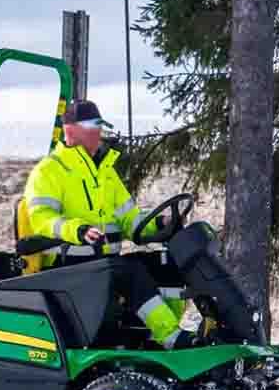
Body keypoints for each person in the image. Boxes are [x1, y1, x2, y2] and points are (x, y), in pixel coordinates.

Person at [21, 99, 188, 348]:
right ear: (70, 130)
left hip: (103, 262)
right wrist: (76, 230)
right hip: (67, 264)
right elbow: (41, 218)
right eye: (91, 125)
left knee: (166, 264)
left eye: (100, 126)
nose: (98, 132)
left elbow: (130, 218)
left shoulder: (105, 172)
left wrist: (159, 224)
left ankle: (159, 340)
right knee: (129, 273)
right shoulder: (49, 171)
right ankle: (171, 337)